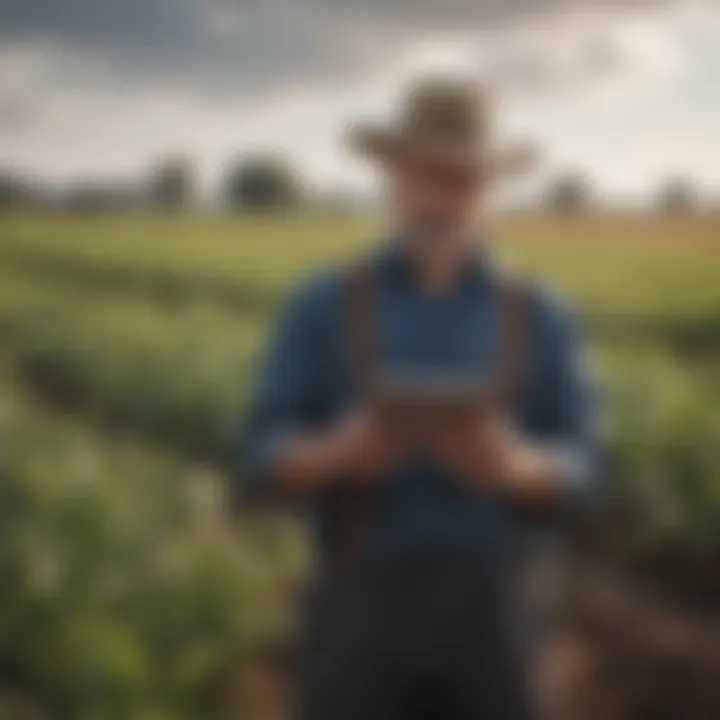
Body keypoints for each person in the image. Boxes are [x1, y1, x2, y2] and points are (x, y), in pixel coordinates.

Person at [242, 77, 602, 720]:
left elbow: (589, 467)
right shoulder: (321, 305)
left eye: (460, 180)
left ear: (489, 189)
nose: (440, 198)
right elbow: (260, 451)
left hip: (496, 607)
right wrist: (335, 456)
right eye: (424, 176)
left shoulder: (541, 313)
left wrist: (519, 468)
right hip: (358, 598)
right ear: (392, 178)